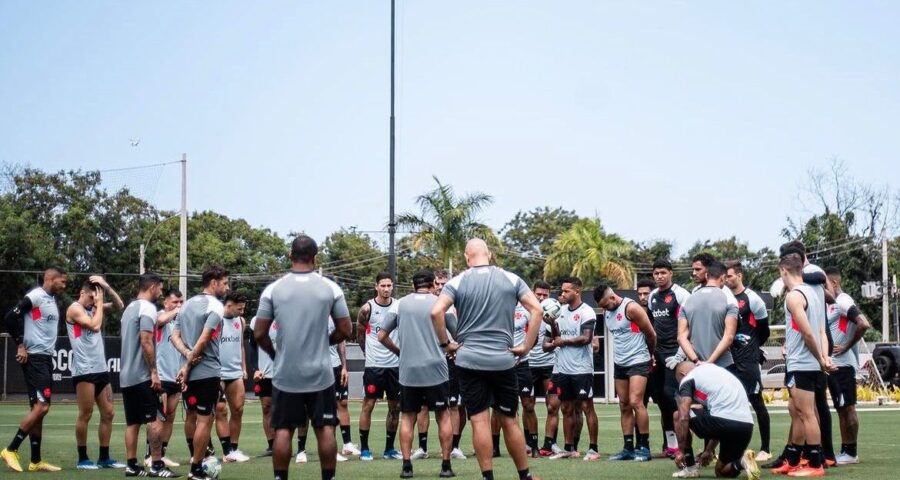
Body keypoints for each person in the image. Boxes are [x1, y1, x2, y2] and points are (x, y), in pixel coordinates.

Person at [430, 238, 543, 480]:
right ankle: (525, 476)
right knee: (510, 420)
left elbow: (436, 311)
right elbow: (538, 310)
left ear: (465, 256)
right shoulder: (511, 279)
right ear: (489, 254)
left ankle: (487, 477)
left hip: (468, 361)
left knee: (479, 420)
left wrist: (446, 344)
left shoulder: (457, 281)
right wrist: (526, 346)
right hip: (503, 361)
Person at [253, 235, 353, 480]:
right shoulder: (330, 288)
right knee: (325, 427)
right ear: (315, 257)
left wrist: (276, 354)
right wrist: (325, 341)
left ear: (290, 256)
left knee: (283, 429)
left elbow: (259, 333)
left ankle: (280, 478)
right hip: (320, 372)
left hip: (286, 373)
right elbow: (346, 330)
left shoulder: (273, 290)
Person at [379, 269, 457, 478]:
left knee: (407, 417)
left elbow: (382, 335)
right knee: (443, 415)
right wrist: (450, 347)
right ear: (433, 284)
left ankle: (406, 466)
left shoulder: (400, 304)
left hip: (409, 370)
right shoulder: (441, 303)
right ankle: (446, 466)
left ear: (413, 286)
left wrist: (400, 352)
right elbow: (458, 334)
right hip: (436, 369)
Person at [772, 253, 834, 477]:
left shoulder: (794, 296)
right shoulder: (814, 293)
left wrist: (820, 358)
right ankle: (793, 459)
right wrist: (824, 358)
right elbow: (820, 331)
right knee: (797, 411)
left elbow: (809, 332)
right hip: (810, 362)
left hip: (803, 363)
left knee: (807, 413)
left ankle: (816, 464)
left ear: (783, 271)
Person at [2, 267, 68, 473]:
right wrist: (20, 344)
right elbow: (10, 318)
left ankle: (36, 460)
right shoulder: (36, 296)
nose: (64, 286)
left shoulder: (49, 299)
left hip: (45, 358)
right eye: (62, 281)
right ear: (49, 278)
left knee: (37, 410)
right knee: (42, 406)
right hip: (36, 359)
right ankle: (11, 449)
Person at [172, 265, 230, 480]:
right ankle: (196, 469)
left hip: (187, 372)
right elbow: (204, 339)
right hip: (206, 372)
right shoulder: (215, 306)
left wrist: (186, 356)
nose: (227, 287)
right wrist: (189, 364)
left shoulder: (186, 305)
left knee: (191, 416)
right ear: (213, 282)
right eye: (224, 283)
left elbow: (174, 336)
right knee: (205, 421)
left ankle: (195, 462)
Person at [119, 272, 180, 477]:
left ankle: (131, 465)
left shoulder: (129, 308)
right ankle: (156, 465)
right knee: (154, 419)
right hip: (142, 375)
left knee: (132, 422)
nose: (161, 292)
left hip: (126, 375)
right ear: (152, 287)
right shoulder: (147, 308)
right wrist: (154, 372)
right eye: (160, 288)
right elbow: (146, 340)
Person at [66, 275, 125, 470]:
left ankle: (104, 457)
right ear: (82, 293)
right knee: (86, 413)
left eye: (96, 298)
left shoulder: (94, 307)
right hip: (84, 370)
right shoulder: (75, 308)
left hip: (100, 368)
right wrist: (99, 305)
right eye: (91, 297)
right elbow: (94, 325)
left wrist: (106, 287)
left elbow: (119, 306)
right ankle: (82, 459)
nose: (94, 301)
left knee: (108, 413)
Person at [595, 284, 656, 462]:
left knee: (637, 402)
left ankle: (644, 448)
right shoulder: (607, 312)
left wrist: (650, 355)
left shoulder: (632, 308)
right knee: (624, 404)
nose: (605, 309)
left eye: (606, 305)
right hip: (619, 362)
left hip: (638, 360)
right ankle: (628, 448)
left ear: (613, 297)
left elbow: (651, 334)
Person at [671, 362, 760, 479]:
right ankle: (742, 462)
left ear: (682, 374)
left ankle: (690, 468)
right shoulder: (716, 372)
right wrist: (709, 450)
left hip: (725, 422)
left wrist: (680, 451)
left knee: (678, 414)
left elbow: (683, 417)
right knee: (721, 471)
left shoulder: (688, 377)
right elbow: (721, 417)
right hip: (746, 426)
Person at [545, 277, 600, 461]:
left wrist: (564, 341)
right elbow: (552, 340)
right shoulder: (559, 312)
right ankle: (569, 448)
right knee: (566, 409)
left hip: (582, 369)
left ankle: (593, 449)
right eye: (562, 291)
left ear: (577, 291)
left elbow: (585, 338)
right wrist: (552, 324)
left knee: (586, 407)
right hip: (563, 370)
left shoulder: (587, 312)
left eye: (566, 291)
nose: (562, 294)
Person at [724, 261, 773, 462]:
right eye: (725, 277)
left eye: (730, 276)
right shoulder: (724, 298)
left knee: (756, 401)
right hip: (729, 359)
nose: (727, 280)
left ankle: (766, 448)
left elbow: (764, 331)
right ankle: (729, 450)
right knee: (727, 403)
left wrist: (751, 348)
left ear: (739, 275)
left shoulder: (753, 299)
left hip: (748, 360)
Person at [824, 267, 870, 465]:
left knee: (847, 409)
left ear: (834, 284)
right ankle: (846, 450)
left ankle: (850, 453)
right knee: (842, 408)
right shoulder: (834, 304)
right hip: (836, 365)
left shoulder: (843, 300)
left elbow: (863, 323)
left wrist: (846, 346)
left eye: (825, 285)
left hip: (843, 365)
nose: (823, 290)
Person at [356, 272, 402, 461]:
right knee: (368, 405)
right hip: (374, 365)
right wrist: (367, 353)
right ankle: (365, 449)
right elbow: (359, 333)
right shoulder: (367, 308)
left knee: (395, 407)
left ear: (392, 286)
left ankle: (389, 449)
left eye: (389, 285)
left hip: (395, 365)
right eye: (382, 285)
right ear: (376, 286)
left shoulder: (399, 307)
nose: (386, 289)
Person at [647, 259, 690, 458]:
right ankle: (671, 445)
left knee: (673, 397)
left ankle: (684, 446)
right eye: (656, 273)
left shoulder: (681, 295)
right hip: (658, 353)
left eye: (663, 273)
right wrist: (651, 353)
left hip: (676, 353)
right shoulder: (653, 297)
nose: (659, 276)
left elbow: (689, 325)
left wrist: (681, 353)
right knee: (661, 398)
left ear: (671, 273)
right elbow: (652, 326)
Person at [146, 289, 185, 467]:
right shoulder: (159, 315)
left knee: (170, 417)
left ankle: (161, 454)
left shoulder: (182, 322)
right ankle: (149, 455)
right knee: (158, 419)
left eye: (181, 302)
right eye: (175, 302)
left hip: (175, 376)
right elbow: (160, 322)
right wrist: (177, 311)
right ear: (166, 303)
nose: (179, 305)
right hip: (160, 377)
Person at [677, 261, 738, 369]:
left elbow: (681, 337)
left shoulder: (687, 301)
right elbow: (729, 337)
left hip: (696, 366)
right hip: (723, 365)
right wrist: (709, 362)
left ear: (706, 275)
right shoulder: (730, 300)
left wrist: (696, 361)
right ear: (723, 278)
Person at [216, 292, 251, 463]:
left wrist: (243, 367)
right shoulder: (216, 319)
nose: (242, 312)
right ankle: (226, 451)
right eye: (240, 308)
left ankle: (234, 449)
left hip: (235, 372)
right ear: (229, 305)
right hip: (218, 373)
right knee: (220, 411)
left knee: (238, 410)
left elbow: (241, 346)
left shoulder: (241, 321)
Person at [330, 318, 359, 461]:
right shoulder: (313, 313)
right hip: (320, 368)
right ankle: (331, 450)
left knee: (343, 403)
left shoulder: (335, 318)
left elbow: (341, 342)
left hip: (336, 367)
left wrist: (344, 367)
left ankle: (347, 444)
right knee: (329, 407)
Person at [250, 315, 276, 457]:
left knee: (285, 409)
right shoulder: (256, 320)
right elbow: (252, 348)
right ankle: (272, 445)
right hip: (264, 373)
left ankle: (285, 443)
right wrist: (255, 369)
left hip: (285, 372)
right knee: (266, 408)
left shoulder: (288, 315)